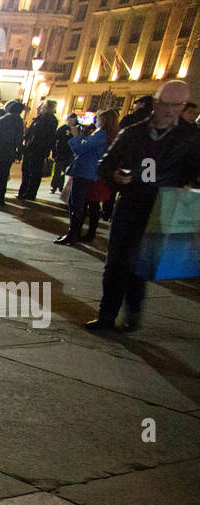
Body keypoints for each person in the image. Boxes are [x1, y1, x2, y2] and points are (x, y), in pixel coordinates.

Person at [88, 81, 200, 333]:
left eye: (178, 105)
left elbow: (195, 172)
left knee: (139, 262)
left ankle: (133, 313)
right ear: (156, 103)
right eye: (167, 104)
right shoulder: (132, 133)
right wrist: (116, 176)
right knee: (115, 262)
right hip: (130, 203)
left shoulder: (191, 138)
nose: (171, 110)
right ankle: (106, 315)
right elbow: (105, 165)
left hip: (162, 207)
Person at [53, 111, 114, 246]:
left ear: (103, 120)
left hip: (85, 171)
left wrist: (75, 137)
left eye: (97, 118)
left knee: (76, 203)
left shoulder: (101, 135)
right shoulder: (103, 135)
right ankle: (74, 233)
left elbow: (81, 148)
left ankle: (73, 234)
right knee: (77, 203)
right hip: (86, 170)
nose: (95, 121)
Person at [17, 100, 58, 200]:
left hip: (37, 150)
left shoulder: (49, 120)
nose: (39, 109)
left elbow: (46, 137)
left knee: (34, 172)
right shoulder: (40, 119)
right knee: (27, 171)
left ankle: (29, 193)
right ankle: (23, 191)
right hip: (30, 149)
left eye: (41, 107)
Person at [50, 111, 79, 194]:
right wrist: (54, 152)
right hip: (60, 153)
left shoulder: (76, 129)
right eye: (70, 120)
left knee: (65, 171)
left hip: (69, 154)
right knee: (57, 171)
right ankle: (54, 186)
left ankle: (61, 186)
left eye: (73, 120)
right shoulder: (62, 128)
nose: (71, 122)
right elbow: (55, 139)